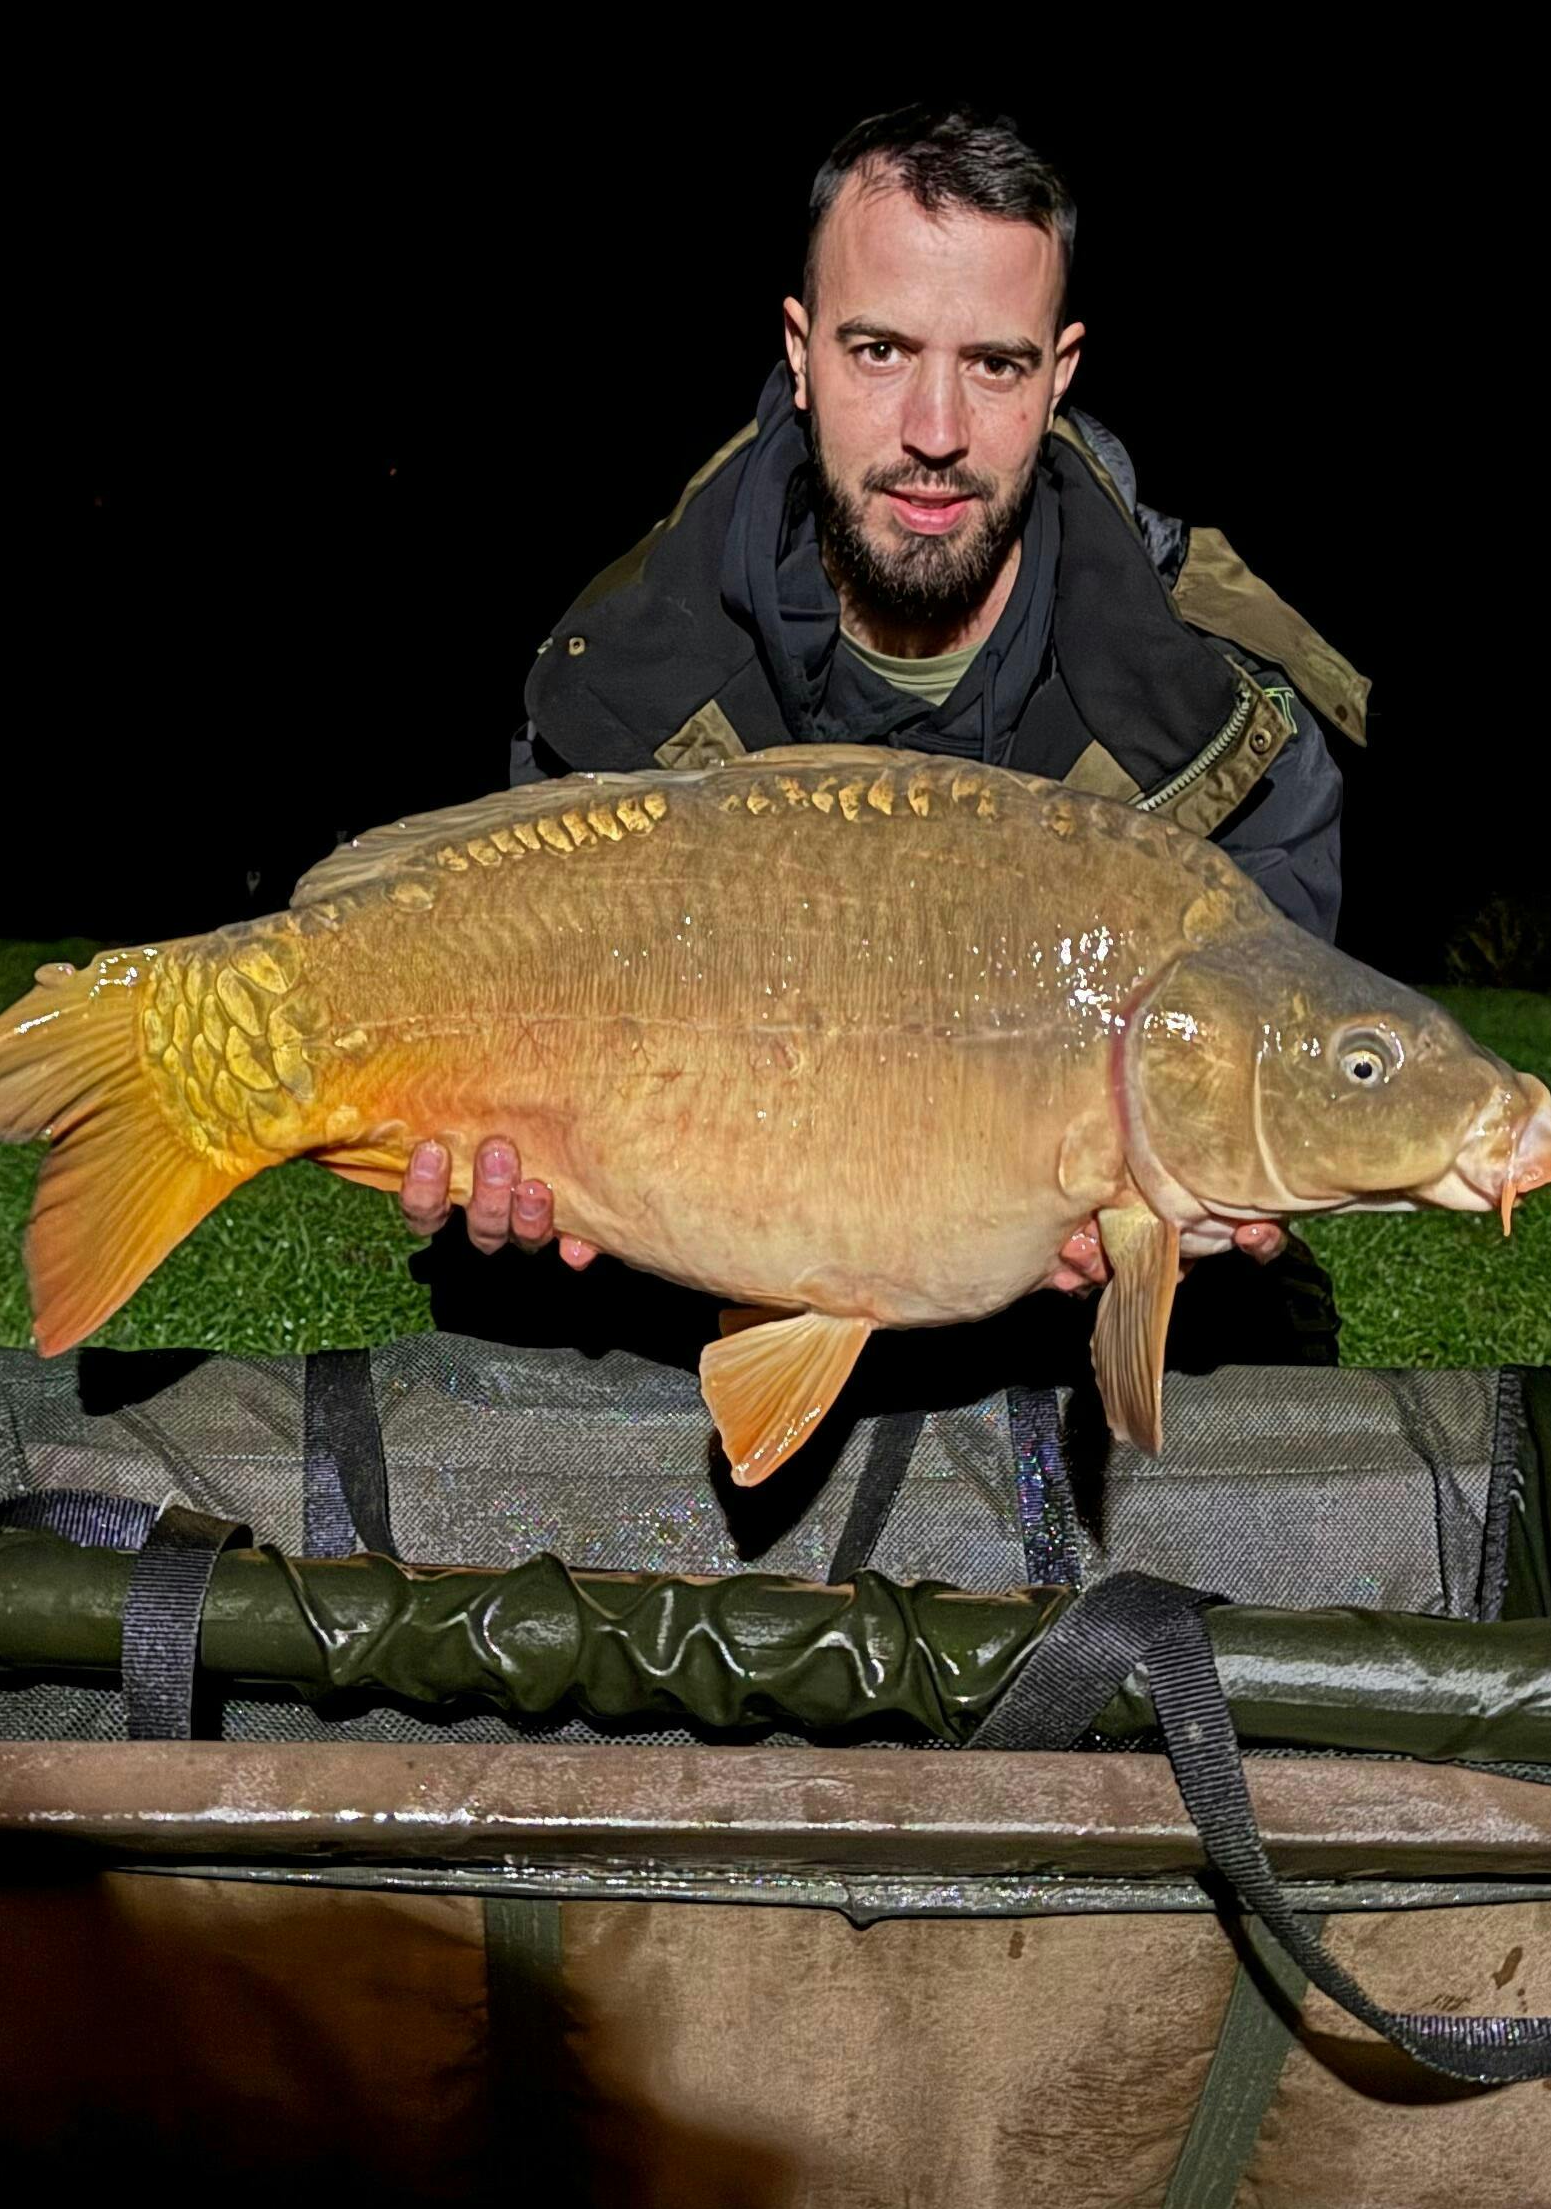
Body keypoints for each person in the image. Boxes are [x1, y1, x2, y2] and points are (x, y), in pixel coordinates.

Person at [398, 106, 1368, 1348]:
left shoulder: (1221, 721)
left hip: (1059, 1303)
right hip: (689, 1250)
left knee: (1245, 1324)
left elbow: (1270, 1086)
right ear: (799, 354)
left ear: (1060, 376)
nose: (935, 431)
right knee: (502, 1288)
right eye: (879, 351)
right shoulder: (627, 675)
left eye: (995, 365)